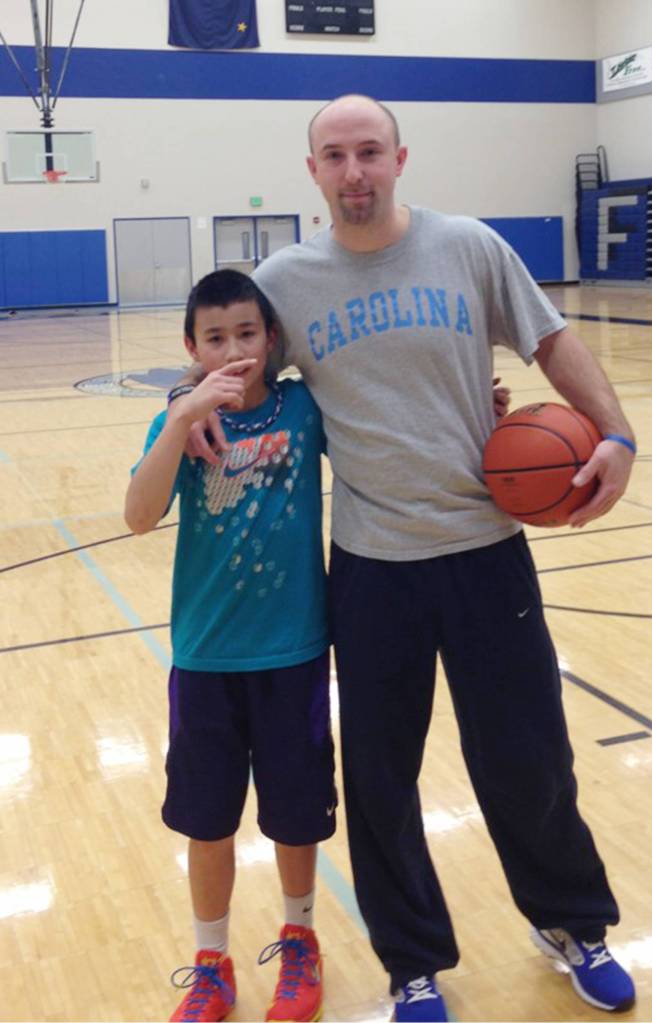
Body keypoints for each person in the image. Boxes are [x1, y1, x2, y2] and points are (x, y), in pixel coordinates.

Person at [176, 95, 638, 1021]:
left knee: (528, 757)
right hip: (372, 565)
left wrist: (618, 433)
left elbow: (551, 341)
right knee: (381, 778)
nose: (355, 171)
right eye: (335, 155)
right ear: (311, 169)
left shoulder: (468, 247)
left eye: (370, 152)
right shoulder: (285, 281)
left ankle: (571, 922)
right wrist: (197, 407)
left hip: (486, 551)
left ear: (400, 157)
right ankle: (412, 962)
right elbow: (237, 362)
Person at [125, 269, 335, 1023]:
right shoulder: (180, 425)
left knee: (295, 815)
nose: (234, 349)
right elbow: (137, 515)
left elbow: (383, 438)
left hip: (294, 653)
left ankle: (300, 939)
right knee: (207, 822)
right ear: (192, 346)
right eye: (215, 337)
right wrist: (180, 419)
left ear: (270, 339)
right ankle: (210, 960)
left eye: (247, 333)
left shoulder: (303, 410)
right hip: (207, 658)